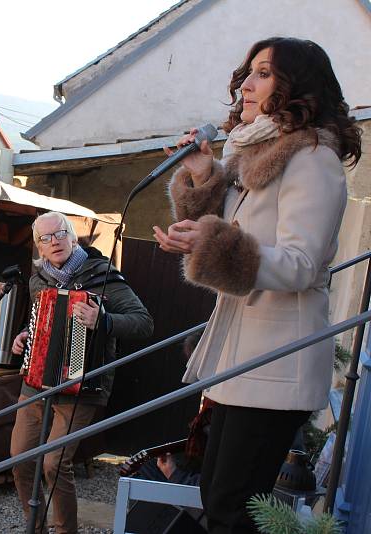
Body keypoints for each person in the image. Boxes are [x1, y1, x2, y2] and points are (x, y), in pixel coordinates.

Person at [153, 37, 362, 533]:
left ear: (296, 87)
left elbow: (301, 263)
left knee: (232, 507)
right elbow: (231, 237)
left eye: (263, 73)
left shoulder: (312, 160)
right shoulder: (251, 157)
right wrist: (204, 180)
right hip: (240, 358)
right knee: (217, 495)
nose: (245, 83)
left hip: (277, 361)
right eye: (248, 71)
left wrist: (216, 241)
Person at [10, 211, 154, 534]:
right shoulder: (39, 280)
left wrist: (102, 320)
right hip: (38, 381)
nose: (54, 241)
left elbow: (144, 323)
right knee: (19, 458)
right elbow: (43, 322)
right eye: (45, 238)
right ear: (39, 248)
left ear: (73, 237)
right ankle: (34, 528)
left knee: (54, 463)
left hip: (83, 384)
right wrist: (26, 336)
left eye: (60, 234)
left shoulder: (102, 275)